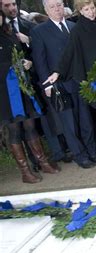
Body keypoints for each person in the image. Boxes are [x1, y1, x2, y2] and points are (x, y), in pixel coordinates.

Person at [43, 0, 96, 161]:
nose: (91, 12)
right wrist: (57, 72)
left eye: (92, 8)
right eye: (87, 9)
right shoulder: (78, 30)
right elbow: (68, 53)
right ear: (80, 11)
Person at [30, 0, 96, 169]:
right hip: (58, 84)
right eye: (52, 6)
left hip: (79, 81)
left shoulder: (73, 26)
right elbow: (40, 61)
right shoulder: (39, 31)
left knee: (86, 119)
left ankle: (91, 151)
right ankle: (79, 155)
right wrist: (47, 86)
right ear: (45, 10)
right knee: (69, 123)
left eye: (59, 5)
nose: (57, 9)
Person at [0, 10, 60, 183]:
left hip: (22, 88)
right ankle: (25, 172)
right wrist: (12, 66)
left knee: (30, 125)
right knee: (15, 130)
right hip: (5, 94)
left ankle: (43, 162)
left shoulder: (11, 33)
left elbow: (23, 54)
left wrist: (27, 62)